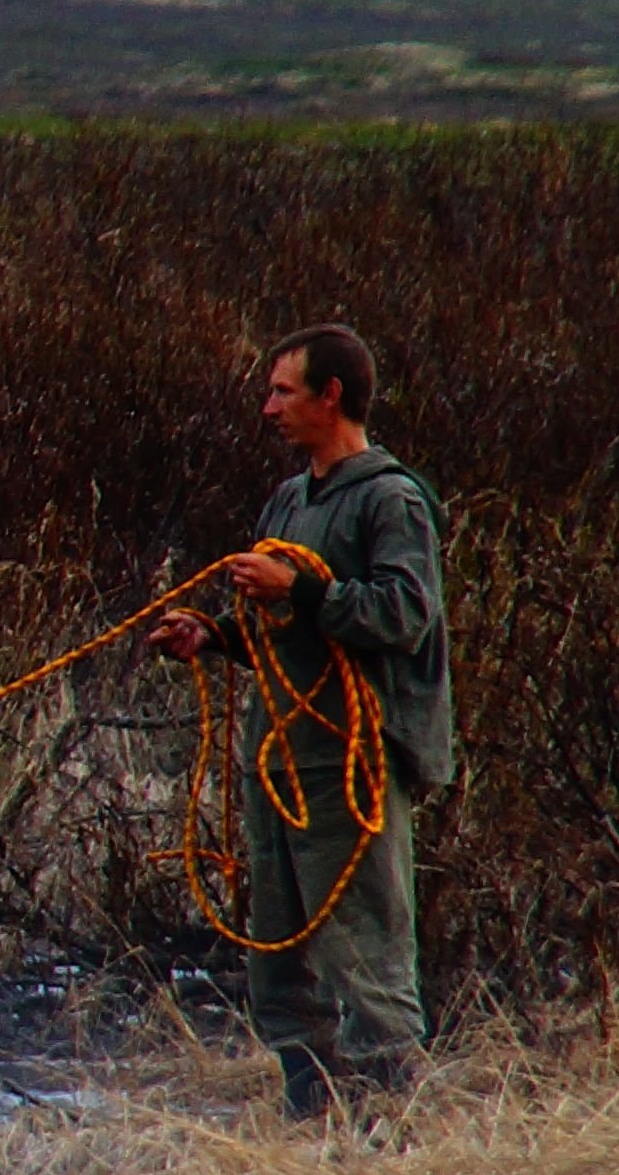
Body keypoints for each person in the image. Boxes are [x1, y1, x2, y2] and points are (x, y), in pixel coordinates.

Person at [146, 323, 451, 1117]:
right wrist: (214, 639)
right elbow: (283, 635)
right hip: (275, 763)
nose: (267, 407)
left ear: (332, 396)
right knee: (278, 963)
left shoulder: (392, 499)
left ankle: (397, 1127)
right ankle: (313, 1120)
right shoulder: (287, 499)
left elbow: (406, 615)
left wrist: (303, 590)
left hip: (349, 763)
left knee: (364, 957)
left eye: (283, 391)